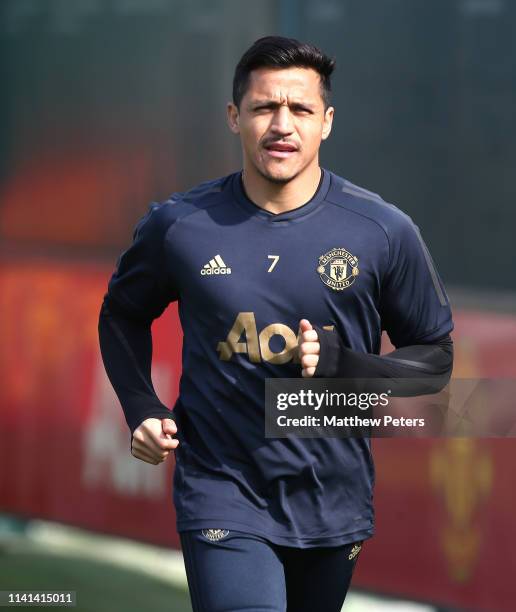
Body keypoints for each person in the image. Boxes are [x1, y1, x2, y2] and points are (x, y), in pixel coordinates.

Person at [98, 36, 453, 612]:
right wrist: (142, 407)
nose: (281, 124)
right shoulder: (180, 225)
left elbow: (436, 361)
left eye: (301, 109)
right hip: (221, 488)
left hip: (333, 502)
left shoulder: (383, 230)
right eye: (264, 107)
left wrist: (350, 370)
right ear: (235, 116)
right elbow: (122, 313)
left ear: (327, 122)